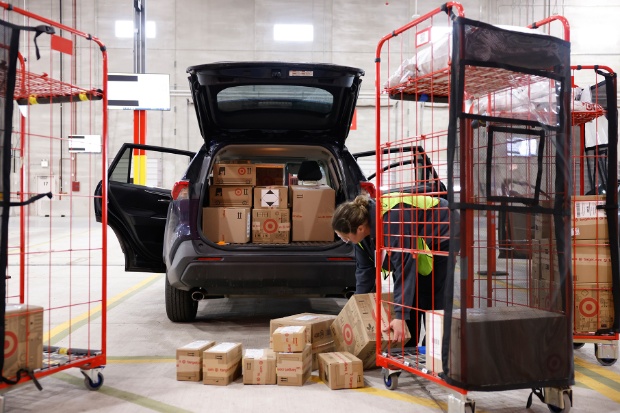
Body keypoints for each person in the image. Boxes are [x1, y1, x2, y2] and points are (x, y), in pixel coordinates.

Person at [332, 193, 456, 346]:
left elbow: (405, 269)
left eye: (345, 237)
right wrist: (357, 307)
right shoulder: (360, 235)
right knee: (410, 295)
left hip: (442, 231)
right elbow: (365, 271)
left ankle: (434, 351)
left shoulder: (393, 220)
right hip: (416, 238)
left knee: (430, 294)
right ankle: (409, 347)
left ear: (360, 228)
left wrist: (400, 316)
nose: (345, 241)